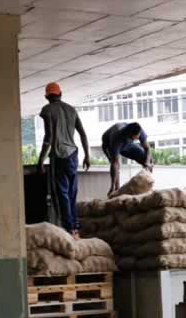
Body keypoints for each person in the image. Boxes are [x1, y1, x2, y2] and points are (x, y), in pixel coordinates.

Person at [36, 81, 90, 234]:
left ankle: (68, 228)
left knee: (61, 194)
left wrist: (41, 160)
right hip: (73, 156)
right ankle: (75, 226)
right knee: (72, 193)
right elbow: (83, 134)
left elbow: (49, 136)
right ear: (60, 94)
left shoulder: (47, 110)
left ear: (47, 97)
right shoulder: (71, 110)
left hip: (59, 156)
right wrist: (87, 155)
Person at [101, 121, 153, 196]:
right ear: (129, 135)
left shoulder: (138, 129)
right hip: (108, 144)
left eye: (138, 136)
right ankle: (115, 189)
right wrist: (112, 186)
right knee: (116, 166)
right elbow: (115, 163)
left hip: (127, 143)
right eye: (136, 138)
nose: (138, 138)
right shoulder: (117, 139)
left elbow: (147, 148)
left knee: (148, 159)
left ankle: (148, 185)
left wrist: (147, 162)